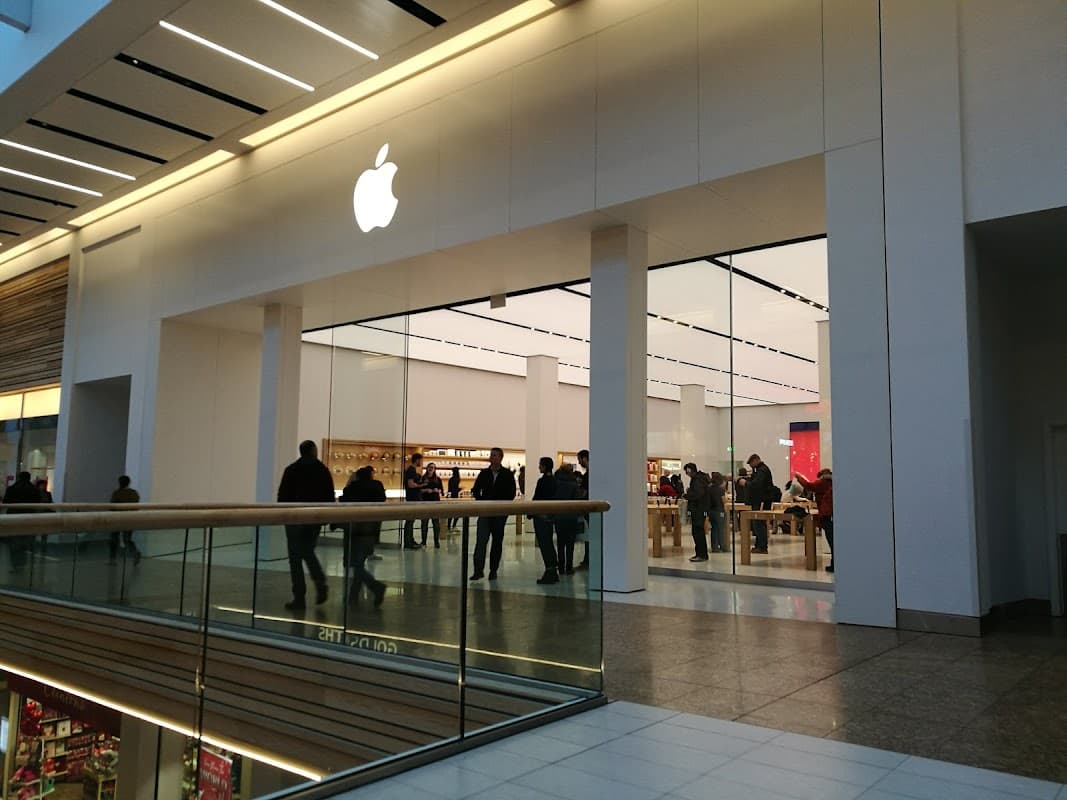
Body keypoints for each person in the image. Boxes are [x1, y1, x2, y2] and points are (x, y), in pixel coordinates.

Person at [277, 440, 335, 611]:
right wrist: (327, 517)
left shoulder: (291, 470)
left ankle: (300, 596)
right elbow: (329, 496)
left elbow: (282, 496)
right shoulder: (322, 470)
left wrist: (283, 516)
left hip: (294, 518)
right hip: (314, 518)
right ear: (314, 451)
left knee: (295, 558)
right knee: (308, 551)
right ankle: (320, 583)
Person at [340, 466, 387, 606]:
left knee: (355, 563)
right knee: (358, 562)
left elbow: (344, 499)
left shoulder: (353, 487)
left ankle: (376, 587)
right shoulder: (377, 485)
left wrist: (349, 482)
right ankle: (354, 594)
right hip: (371, 529)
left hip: (355, 530)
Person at [469, 447, 516, 581]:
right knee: (481, 541)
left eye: (495, 455)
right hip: (485, 512)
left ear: (500, 458)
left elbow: (511, 493)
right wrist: (481, 501)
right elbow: (476, 489)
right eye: (491, 455)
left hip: (499, 514)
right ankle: (478, 570)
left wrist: (502, 506)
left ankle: (493, 570)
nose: (492, 457)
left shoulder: (507, 474)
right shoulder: (484, 473)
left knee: (497, 542)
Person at [2, 472, 43, 573]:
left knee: (14, 544)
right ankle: (23, 565)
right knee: (25, 544)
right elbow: (37, 503)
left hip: (13, 519)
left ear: (19, 478)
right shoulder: (35, 490)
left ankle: (16, 566)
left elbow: (6, 502)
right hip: (30, 519)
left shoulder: (12, 489)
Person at [795, 469, 834, 572]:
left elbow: (809, 486)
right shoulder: (832, 482)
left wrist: (799, 477)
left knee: (831, 539)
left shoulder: (823, 482)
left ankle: (834, 565)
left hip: (826, 513)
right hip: (832, 514)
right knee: (834, 540)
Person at [530, 457, 559, 584]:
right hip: (550, 516)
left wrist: (531, 512)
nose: (538, 467)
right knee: (549, 543)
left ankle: (550, 571)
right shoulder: (554, 481)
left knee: (544, 544)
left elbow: (537, 498)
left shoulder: (542, 481)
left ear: (545, 466)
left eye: (540, 465)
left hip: (541, 516)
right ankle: (553, 570)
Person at [743, 454, 774, 553]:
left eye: (751, 463)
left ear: (756, 460)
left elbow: (757, 485)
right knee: (759, 524)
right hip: (762, 500)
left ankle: (762, 547)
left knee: (758, 524)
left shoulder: (761, 471)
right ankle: (759, 545)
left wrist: (746, 483)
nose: (751, 466)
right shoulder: (761, 470)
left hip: (761, 501)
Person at [553, 463, 580, 575]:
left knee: (560, 543)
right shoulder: (574, 484)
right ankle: (569, 567)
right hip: (571, 517)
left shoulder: (556, 483)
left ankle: (561, 566)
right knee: (570, 544)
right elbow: (577, 500)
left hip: (559, 516)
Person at [109, 475, 142, 565]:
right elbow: (136, 507)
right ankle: (135, 552)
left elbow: (112, 507)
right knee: (127, 539)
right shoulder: (134, 493)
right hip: (130, 519)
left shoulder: (117, 493)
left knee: (114, 539)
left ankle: (113, 559)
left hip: (117, 519)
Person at [683, 463, 712, 562]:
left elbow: (698, 494)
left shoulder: (697, 480)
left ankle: (701, 554)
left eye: (687, 471)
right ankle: (700, 553)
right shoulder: (701, 478)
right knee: (698, 532)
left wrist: (687, 495)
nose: (687, 474)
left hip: (698, 509)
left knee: (698, 532)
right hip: (700, 509)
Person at [402, 453, 424, 549]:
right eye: (421, 460)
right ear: (417, 460)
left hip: (411, 497)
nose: (421, 462)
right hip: (412, 498)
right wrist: (421, 485)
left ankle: (410, 540)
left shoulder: (411, 470)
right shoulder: (411, 470)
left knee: (410, 520)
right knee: (410, 520)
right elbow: (410, 484)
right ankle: (408, 542)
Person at [420, 462, 444, 548]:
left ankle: (436, 542)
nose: (431, 469)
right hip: (425, 503)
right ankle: (423, 542)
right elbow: (419, 490)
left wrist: (438, 491)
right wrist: (426, 490)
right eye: (430, 467)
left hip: (435, 503)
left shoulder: (438, 479)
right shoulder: (422, 478)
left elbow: (442, 490)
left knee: (436, 524)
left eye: (433, 467)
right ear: (427, 468)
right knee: (424, 523)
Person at [573, 449, 590, 571]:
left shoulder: (587, 476)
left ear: (584, 459)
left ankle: (588, 560)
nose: (579, 463)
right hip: (590, 510)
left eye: (579, 460)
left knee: (588, 536)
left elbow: (583, 493)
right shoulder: (589, 474)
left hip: (589, 510)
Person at [708, 472, 727, 553]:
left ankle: (714, 547)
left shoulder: (709, 489)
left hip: (711, 511)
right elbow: (724, 501)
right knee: (721, 529)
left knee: (714, 529)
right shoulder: (720, 490)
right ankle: (722, 546)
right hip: (719, 511)